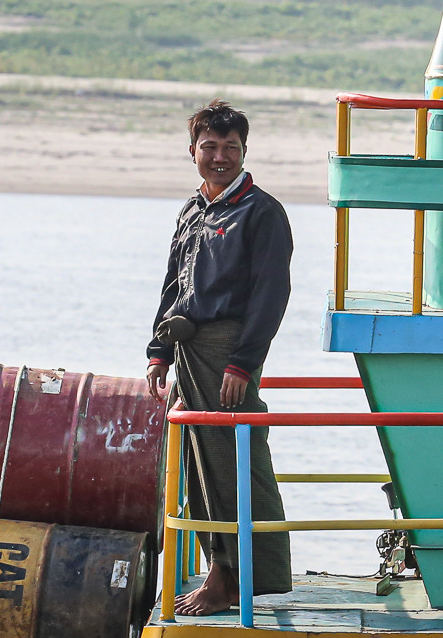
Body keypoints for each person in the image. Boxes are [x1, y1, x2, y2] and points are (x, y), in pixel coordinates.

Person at [145, 99, 293, 616]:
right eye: (210, 147)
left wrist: (241, 363)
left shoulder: (261, 212)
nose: (220, 156)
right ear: (193, 152)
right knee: (198, 467)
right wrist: (158, 351)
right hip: (187, 351)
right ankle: (221, 571)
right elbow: (174, 286)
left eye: (231, 147)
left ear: (244, 151)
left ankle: (244, 578)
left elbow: (271, 294)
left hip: (226, 351)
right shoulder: (193, 211)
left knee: (237, 464)